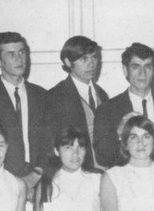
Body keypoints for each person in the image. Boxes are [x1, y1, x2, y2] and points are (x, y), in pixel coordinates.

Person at [0, 31, 46, 194]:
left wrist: (36, 174)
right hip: (1, 182)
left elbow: (49, 139)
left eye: (22, 52)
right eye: (11, 54)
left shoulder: (42, 95)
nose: (19, 59)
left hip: (40, 180)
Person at [93, 42, 154, 169]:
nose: (142, 73)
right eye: (136, 67)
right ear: (125, 70)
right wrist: (119, 133)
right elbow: (103, 158)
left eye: (147, 66)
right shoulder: (107, 109)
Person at [44, 36, 108, 169]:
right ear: (68, 62)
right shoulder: (55, 97)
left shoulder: (102, 94)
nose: (91, 64)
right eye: (84, 59)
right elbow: (50, 145)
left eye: (94, 57)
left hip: (104, 171)